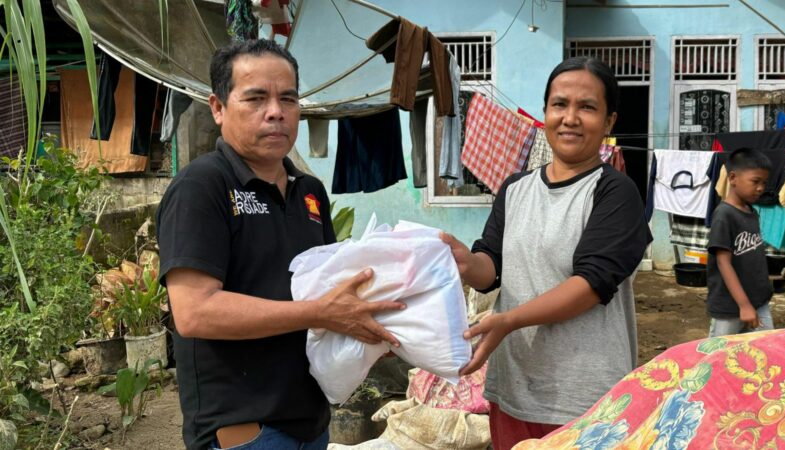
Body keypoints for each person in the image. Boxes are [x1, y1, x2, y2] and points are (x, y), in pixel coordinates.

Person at [156, 39, 405, 450]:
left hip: (310, 423)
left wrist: (373, 326)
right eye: (256, 98)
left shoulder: (310, 191)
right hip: (247, 431)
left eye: (287, 98)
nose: (276, 111)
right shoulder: (202, 187)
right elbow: (195, 312)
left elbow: (326, 289)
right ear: (217, 107)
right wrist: (321, 312)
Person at [440, 57, 652, 450]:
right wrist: (466, 263)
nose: (570, 117)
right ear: (545, 113)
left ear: (608, 123)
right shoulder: (514, 188)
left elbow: (591, 284)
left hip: (587, 398)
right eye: (560, 104)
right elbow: (493, 269)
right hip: (516, 390)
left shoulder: (615, 192)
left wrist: (509, 320)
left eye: (587, 107)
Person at [706, 148, 773, 337]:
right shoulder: (724, 215)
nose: (761, 188)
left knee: (767, 348)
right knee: (720, 355)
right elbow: (723, 262)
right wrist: (744, 305)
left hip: (758, 302)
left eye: (764, 182)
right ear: (733, 178)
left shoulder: (751, 211)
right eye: (755, 181)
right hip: (729, 307)